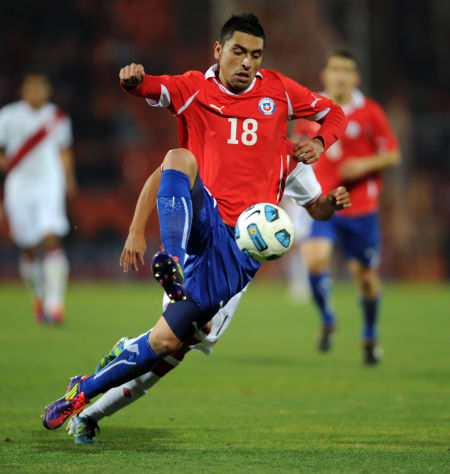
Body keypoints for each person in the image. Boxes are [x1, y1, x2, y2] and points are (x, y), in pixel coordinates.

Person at [42, 13, 348, 430]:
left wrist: (321, 149)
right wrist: (132, 81)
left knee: (167, 346)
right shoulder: (194, 90)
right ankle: (171, 261)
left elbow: (331, 132)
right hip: (203, 224)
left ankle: (89, 400)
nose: (247, 63)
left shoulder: (288, 146)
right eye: (238, 52)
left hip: (236, 256)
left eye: (256, 55)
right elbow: (150, 95)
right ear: (219, 50)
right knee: (179, 157)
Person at [67, 141, 351, 444]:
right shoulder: (218, 135)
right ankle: (90, 412)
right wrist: (136, 229)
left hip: (235, 267)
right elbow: (163, 174)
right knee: (172, 343)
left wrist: (331, 203)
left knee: (175, 348)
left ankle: (116, 369)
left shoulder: (290, 157)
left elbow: (317, 208)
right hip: (200, 245)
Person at [291, 48, 401, 364]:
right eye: (335, 69)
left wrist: (364, 164)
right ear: (324, 74)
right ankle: (327, 319)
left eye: (347, 70)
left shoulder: (370, 113)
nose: (341, 76)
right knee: (314, 260)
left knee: (363, 276)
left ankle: (369, 334)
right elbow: (296, 149)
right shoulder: (310, 111)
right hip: (323, 204)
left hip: (361, 208)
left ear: (356, 77)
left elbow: (393, 154)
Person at [0, 73, 76, 323]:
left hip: (49, 185)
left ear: (47, 90)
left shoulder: (58, 118)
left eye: (40, 87)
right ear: (23, 90)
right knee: (29, 249)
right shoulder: (8, 116)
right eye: (31, 87)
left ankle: (55, 304)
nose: (36, 92)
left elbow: (64, 151)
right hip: (19, 188)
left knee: (52, 238)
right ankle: (39, 296)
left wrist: (69, 179)